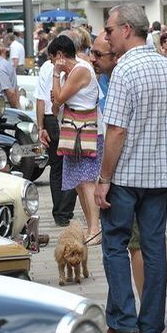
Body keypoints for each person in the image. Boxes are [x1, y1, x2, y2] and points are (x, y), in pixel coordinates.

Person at [91, 34, 167, 326]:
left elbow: (116, 130)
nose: (94, 58)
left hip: (126, 175)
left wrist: (104, 178)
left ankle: (123, 320)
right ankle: (152, 322)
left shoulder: (124, 71)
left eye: (99, 53)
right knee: (153, 245)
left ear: (124, 34)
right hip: (157, 176)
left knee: (119, 244)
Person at [50, 29, 100, 243]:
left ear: (60, 55)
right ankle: (91, 228)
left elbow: (58, 98)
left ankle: (95, 229)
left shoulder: (80, 70)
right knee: (80, 183)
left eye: (53, 58)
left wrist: (56, 75)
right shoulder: (71, 72)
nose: (52, 63)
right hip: (75, 133)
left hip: (87, 133)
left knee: (87, 182)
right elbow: (55, 107)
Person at [36, 34, 77, 226]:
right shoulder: (71, 68)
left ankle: (58, 211)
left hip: (50, 120)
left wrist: (41, 126)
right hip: (64, 117)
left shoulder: (46, 67)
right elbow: (51, 99)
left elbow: (39, 99)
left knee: (57, 167)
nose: (51, 61)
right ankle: (64, 211)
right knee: (70, 165)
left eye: (52, 56)